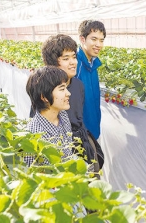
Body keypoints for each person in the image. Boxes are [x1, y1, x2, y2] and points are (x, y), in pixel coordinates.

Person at [41, 34, 104, 175]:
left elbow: (79, 117)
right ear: (53, 62)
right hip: (57, 151)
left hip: (80, 145)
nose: (73, 62)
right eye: (66, 59)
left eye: (74, 57)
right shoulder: (45, 88)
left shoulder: (78, 85)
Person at [25, 66, 74, 167]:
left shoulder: (63, 115)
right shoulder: (33, 136)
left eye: (66, 88)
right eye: (62, 89)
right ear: (44, 97)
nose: (68, 93)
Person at [76, 20, 106, 140]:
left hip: (93, 130)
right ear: (82, 39)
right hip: (81, 135)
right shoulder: (75, 65)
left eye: (101, 40)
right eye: (94, 39)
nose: (98, 44)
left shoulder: (93, 64)